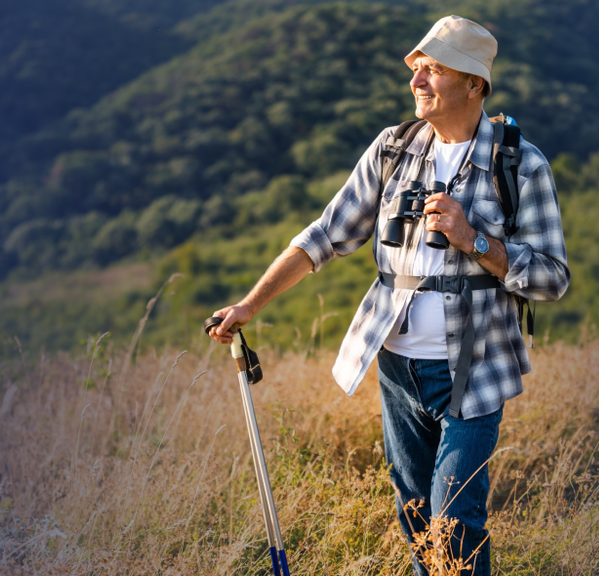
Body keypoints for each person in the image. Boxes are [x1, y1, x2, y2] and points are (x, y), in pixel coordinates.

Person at [206, 15, 569, 576]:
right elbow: (325, 235)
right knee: (417, 512)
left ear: (475, 84)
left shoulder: (520, 164)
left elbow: (551, 277)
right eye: (417, 69)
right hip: (397, 366)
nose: (417, 80)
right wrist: (251, 303)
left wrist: (473, 240)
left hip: (475, 368)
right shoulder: (393, 148)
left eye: (435, 69)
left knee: (455, 516)